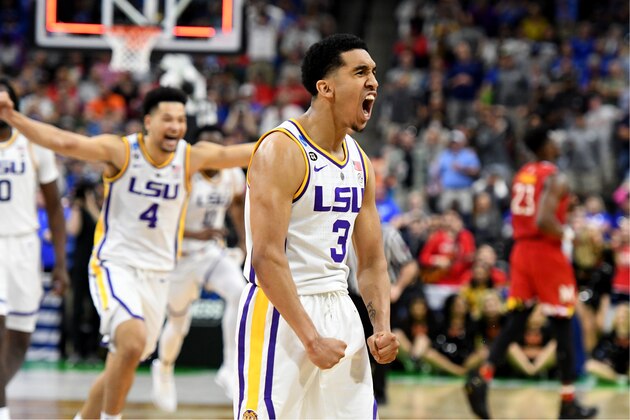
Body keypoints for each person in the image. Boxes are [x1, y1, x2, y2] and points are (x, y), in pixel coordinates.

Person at [0, 85, 254, 419]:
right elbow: (64, 142)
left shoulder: (191, 157)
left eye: (180, 120)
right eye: (167, 119)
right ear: (148, 121)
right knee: (131, 342)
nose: (175, 127)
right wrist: (11, 116)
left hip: (159, 272)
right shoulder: (120, 151)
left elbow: (251, 151)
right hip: (115, 265)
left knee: (123, 359)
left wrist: (304, 133)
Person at [235, 34, 399, 419]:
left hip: (340, 307)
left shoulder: (360, 162)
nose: (373, 81)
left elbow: (373, 260)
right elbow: (267, 256)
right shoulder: (281, 149)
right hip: (280, 311)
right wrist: (310, 338)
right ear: (325, 88)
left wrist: (381, 327)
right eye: (360, 72)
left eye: (374, 72)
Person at [464, 125, 598, 419]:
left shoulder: (524, 173)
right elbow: (544, 220)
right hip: (545, 252)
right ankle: (568, 403)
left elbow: (530, 211)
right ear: (546, 146)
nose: (557, 143)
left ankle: (481, 379)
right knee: (563, 324)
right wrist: (570, 235)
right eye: (553, 139)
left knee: (517, 320)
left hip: (521, 251)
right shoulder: (556, 176)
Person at [151, 125, 247, 412]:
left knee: (239, 294)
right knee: (178, 324)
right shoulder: (182, 175)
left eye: (218, 148)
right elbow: (160, 223)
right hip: (179, 257)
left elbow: (239, 203)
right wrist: (196, 234)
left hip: (210, 254)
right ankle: (164, 367)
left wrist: (243, 241)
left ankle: (229, 368)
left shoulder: (231, 173)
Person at [0, 78, 69, 420]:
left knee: (19, 338)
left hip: (25, 245)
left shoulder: (32, 143)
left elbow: (55, 207)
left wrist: (60, 264)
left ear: (13, 106)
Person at [347, 223, 420, 404]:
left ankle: (379, 392)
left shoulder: (389, 234)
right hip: (353, 297)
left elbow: (410, 266)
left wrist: (398, 288)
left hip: (381, 297)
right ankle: (357, 392)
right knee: (356, 345)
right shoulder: (343, 229)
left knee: (382, 343)